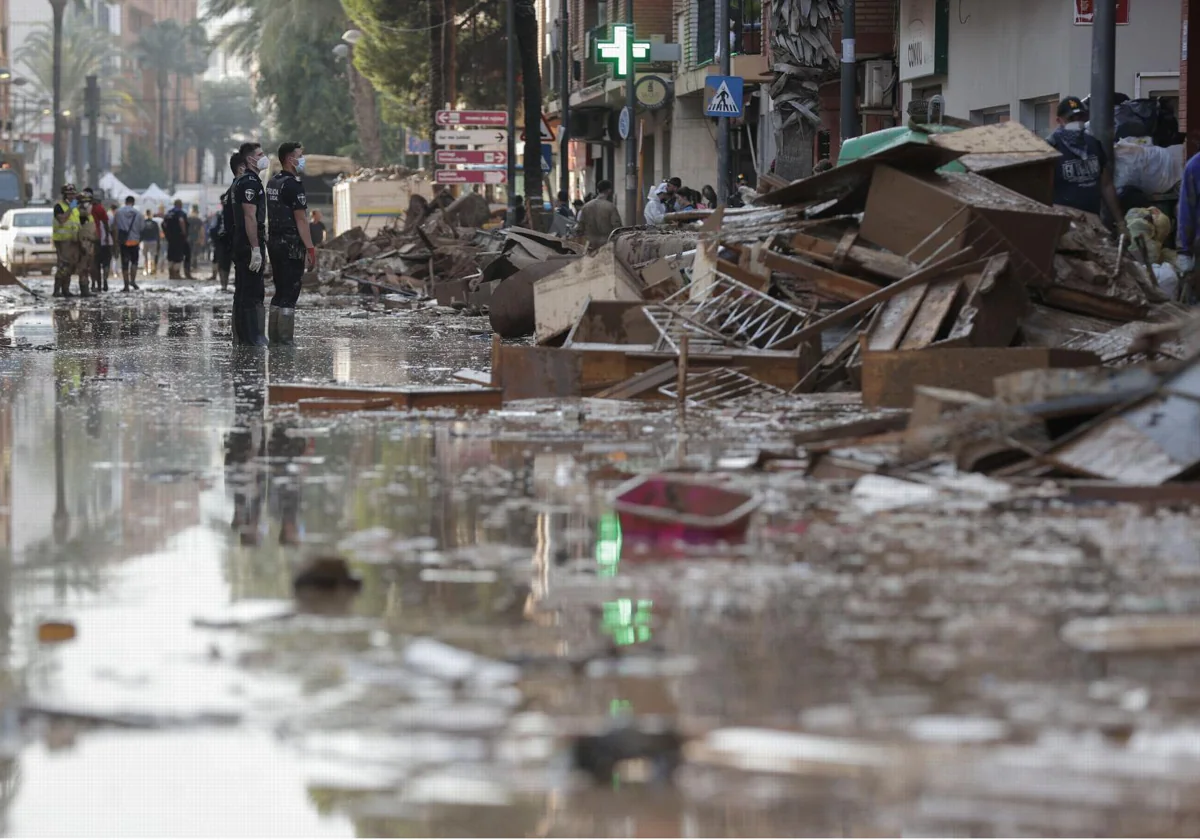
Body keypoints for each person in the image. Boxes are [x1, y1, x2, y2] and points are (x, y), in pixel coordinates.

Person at [1048, 96, 1126, 232]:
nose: (1077, 122)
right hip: (1065, 225)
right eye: (1071, 119)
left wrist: (1120, 221)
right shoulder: (1051, 149)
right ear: (1059, 121)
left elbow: (1106, 185)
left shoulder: (1093, 144)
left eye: (1080, 117)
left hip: (1092, 222)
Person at [265, 141, 315, 346]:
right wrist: (310, 247)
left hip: (274, 242)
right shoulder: (293, 185)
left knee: (279, 289)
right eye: (300, 155)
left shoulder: (273, 183)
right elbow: (301, 219)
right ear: (289, 159)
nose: (302, 159)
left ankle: (274, 337)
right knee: (291, 289)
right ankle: (285, 339)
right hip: (291, 244)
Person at [232, 141, 269, 346]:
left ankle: (246, 337)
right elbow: (249, 217)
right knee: (251, 291)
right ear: (250, 159)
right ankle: (252, 337)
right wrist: (255, 248)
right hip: (248, 243)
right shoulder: (249, 182)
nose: (264, 157)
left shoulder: (245, 180)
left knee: (244, 290)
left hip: (243, 241)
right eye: (260, 154)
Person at [213, 152, 243, 294]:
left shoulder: (230, 192)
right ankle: (229, 285)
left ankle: (224, 285)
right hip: (230, 236)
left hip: (224, 237)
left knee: (224, 263)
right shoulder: (236, 191)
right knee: (230, 263)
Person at [51, 183, 83, 298]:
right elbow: (62, 220)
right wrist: (71, 208)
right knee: (63, 265)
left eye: (73, 194)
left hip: (74, 240)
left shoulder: (75, 208)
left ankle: (66, 290)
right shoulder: (59, 207)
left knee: (71, 266)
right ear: (64, 195)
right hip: (63, 241)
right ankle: (56, 290)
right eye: (69, 194)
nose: (72, 196)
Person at [575, 179, 623, 251]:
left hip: (589, 245)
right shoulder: (610, 207)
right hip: (606, 246)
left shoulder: (586, 207)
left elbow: (580, 228)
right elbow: (617, 228)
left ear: (597, 190)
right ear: (609, 191)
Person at [112, 195, 143, 292]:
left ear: (125, 202)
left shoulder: (118, 213)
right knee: (134, 262)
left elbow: (115, 227)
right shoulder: (139, 214)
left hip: (123, 242)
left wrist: (116, 241)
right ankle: (132, 281)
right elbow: (142, 228)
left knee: (125, 264)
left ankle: (126, 285)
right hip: (134, 241)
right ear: (133, 202)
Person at [83, 188, 111, 292]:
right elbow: (105, 223)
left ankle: (95, 284)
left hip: (91, 238)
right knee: (93, 263)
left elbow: (105, 222)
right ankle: (95, 284)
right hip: (93, 237)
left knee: (93, 263)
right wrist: (107, 237)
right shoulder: (97, 208)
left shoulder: (90, 208)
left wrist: (106, 237)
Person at [162, 198, 189, 279]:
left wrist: (166, 233)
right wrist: (184, 232)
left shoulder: (169, 213)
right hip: (179, 237)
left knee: (170, 255)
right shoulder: (180, 212)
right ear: (180, 205)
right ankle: (176, 274)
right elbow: (181, 221)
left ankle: (170, 274)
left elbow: (163, 224)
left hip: (170, 238)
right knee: (178, 255)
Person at [140, 210, 160, 277]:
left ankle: (145, 270)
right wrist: (158, 242)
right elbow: (157, 233)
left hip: (144, 241)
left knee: (144, 256)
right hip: (153, 241)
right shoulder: (154, 223)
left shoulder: (143, 223)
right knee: (152, 256)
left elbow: (140, 232)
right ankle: (152, 269)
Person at [186, 204, 203, 279]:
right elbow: (201, 230)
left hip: (188, 238)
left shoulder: (188, 218)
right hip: (196, 238)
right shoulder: (198, 220)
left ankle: (189, 268)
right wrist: (201, 239)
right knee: (194, 254)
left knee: (189, 254)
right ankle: (193, 266)